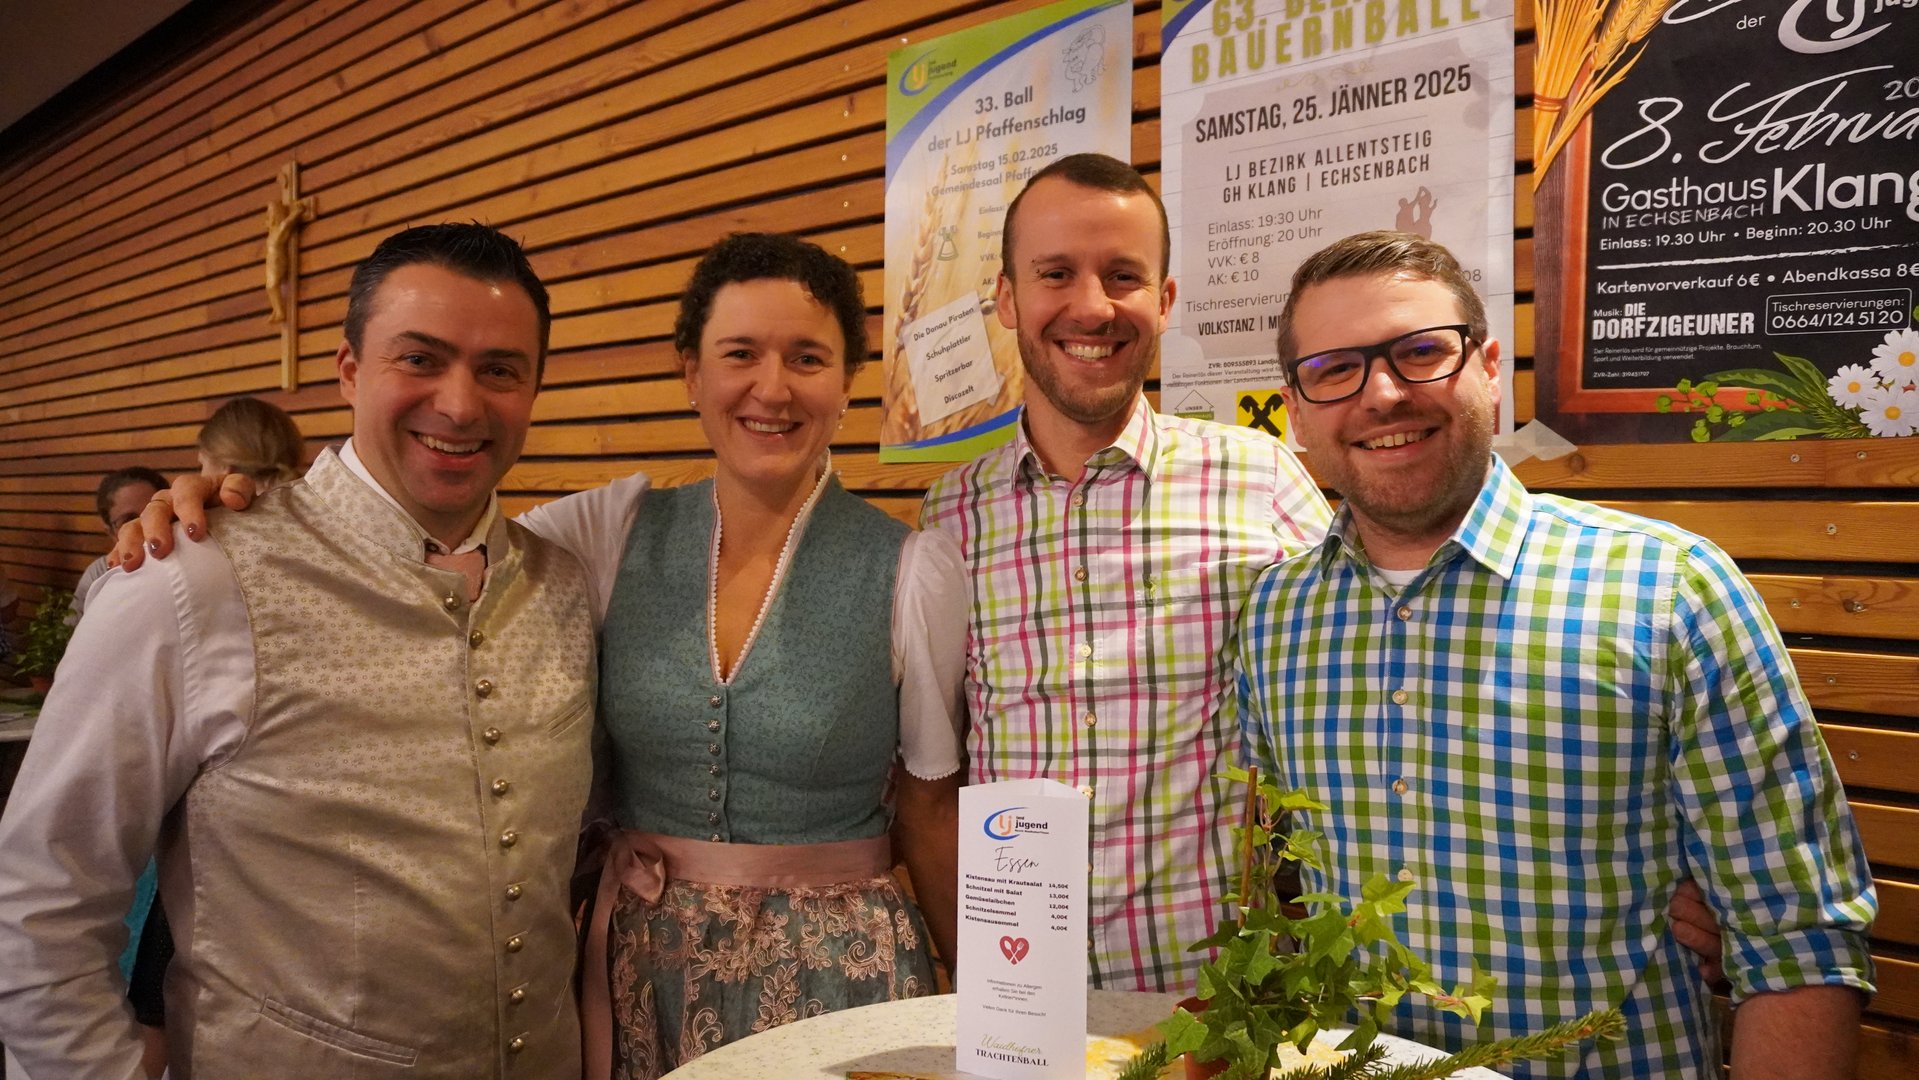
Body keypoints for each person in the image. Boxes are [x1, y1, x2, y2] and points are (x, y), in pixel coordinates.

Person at [119, 233, 966, 1080]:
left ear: (846, 381)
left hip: (838, 968)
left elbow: (929, 813)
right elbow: (433, 542)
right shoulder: (610, 530)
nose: (771, 387)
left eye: (807, 358)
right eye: (739, 353)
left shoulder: (912, 569)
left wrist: (980, 997)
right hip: (642, 967)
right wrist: (254, 509)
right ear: (691, 374)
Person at [1236, 230, 1877, 1077]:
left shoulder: (1668, 589)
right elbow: (1278, 879)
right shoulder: (1276, 615)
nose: (1381, 394)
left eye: (1419, 352)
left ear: (1488, 368)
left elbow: (1797, 943)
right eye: (1333, 370)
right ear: (1294, 407)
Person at [0, 223, 597, 1078]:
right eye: (419, 359)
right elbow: (43, 895)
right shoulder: (194, 577)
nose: (461, 404)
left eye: (499, 370)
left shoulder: (565, 582)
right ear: (349, 370)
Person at [918, 153, 1333, 993]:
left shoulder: (1259, 479)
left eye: (1122, 275)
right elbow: (935, 768)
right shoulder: (949, 515)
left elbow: (1350, 708)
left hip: (1214, 1006)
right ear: (1006, 298)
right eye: (1054, 274)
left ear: (1164, 300)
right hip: (1021, 999)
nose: (1092, 306)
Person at [69, 467, 168, 626]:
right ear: (111, 532)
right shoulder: (98, 574)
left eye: (153, 512)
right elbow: (70, 634)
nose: (140, 525)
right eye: (128, 520)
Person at [195, 396, 306, 491]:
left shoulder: (203, 510)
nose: (201, 475)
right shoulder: (311, 501)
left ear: (225, 470)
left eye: (202, 465)